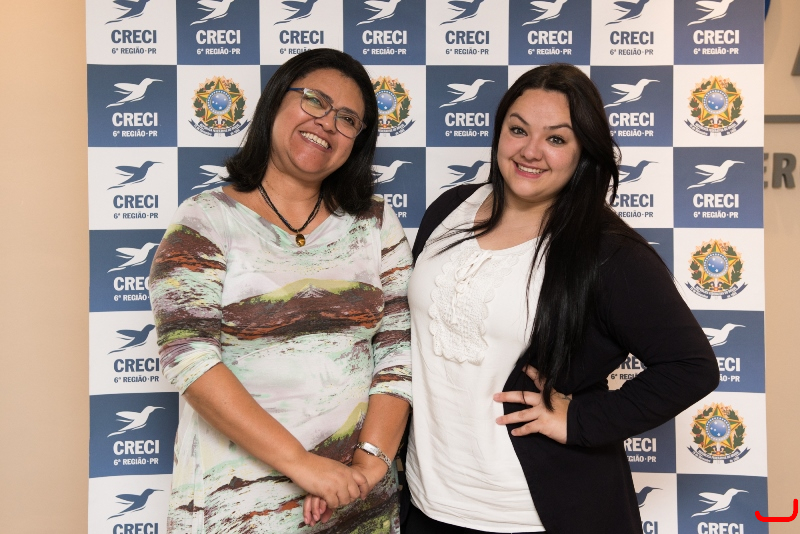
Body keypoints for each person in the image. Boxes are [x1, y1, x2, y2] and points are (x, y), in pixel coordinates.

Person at [403, 64, 719, 533]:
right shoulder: (451, 209)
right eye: (518, 130)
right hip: (428, 501)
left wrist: (581, 419)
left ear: (583, 151)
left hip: (531, 514)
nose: (530, 151)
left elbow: (692, 367)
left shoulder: (607, 251)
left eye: (556, 138)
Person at [149, 48, 412, 533]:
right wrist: (302, 464)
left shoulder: (375, 222)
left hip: (357, 501)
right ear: (274, 103)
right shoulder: (204, 219)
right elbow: (189, 357)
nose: (327, 122)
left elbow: (400, 350)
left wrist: (368, 466)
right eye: (315, 100)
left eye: (348, 118)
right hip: (236, 508)